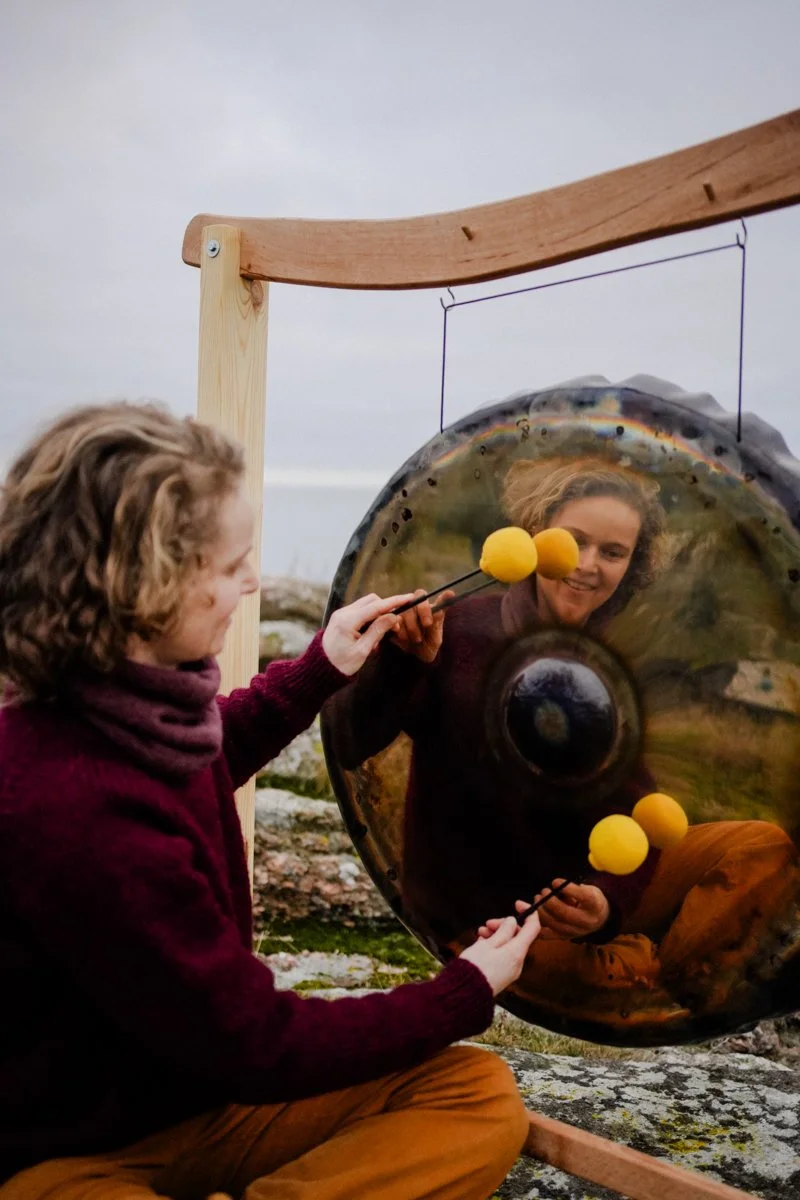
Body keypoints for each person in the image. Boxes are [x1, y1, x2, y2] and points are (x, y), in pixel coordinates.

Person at [0, 402, 542, 1200]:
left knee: (474, 1095)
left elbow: (205, 756)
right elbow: (257, 1043)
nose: (252, 581)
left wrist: (323, 666)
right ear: (146, 586)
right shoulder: (69, 807)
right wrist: (462, 990)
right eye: (230, 567)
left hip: (205, 1102)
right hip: (66, 1155)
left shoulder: (118, 708)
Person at [327, 457, 799, 1032]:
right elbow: (349, 741)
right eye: (573, 541)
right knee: (564, 975)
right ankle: (652, 971)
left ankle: (645, 965)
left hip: (576, 892)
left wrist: (607, 903)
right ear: (534, 536)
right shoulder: (457, 630)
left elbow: (631, 810)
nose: (587, 565)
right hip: (490, 919)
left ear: (633, 565)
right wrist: (404, 664)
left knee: (761, 847)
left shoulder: (609, 663)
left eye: (613, 552)